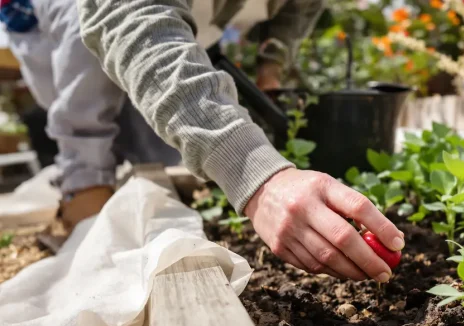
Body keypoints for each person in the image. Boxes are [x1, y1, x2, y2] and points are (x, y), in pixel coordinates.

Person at [76, 0, 406, 283]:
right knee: (131, 157)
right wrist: (259, 178)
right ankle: (87, 239)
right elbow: (135, 22)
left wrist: (271, 67)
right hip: (93, 39)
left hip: (193, 28)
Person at [0, 0, 180, 229]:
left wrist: (86, 179)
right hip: (21, 17)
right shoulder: (17, 18)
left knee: (155, 175)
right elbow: (60, 96)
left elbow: (82, 93)